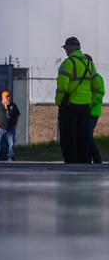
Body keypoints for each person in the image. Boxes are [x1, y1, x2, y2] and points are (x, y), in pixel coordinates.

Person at [54, 36, 101, 165]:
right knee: (83, 136)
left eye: (66, 48)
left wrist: (59, 102)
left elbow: (62, 87)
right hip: (85, 105)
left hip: (70, 105)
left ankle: (70, 162)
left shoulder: (67, 63)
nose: (65, 50)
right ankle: (83, 161)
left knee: (68, 136)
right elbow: (95, 83)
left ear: (70, 48)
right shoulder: (89, 63)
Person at [0, 88, 19, 163]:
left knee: (11, 144)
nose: (9, 98)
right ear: (3, 98)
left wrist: (15, 125)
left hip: (10, 129)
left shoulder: (13, 106)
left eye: (9, 96)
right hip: (0, 129)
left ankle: (10, 158)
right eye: (7, 97)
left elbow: (17, 115)